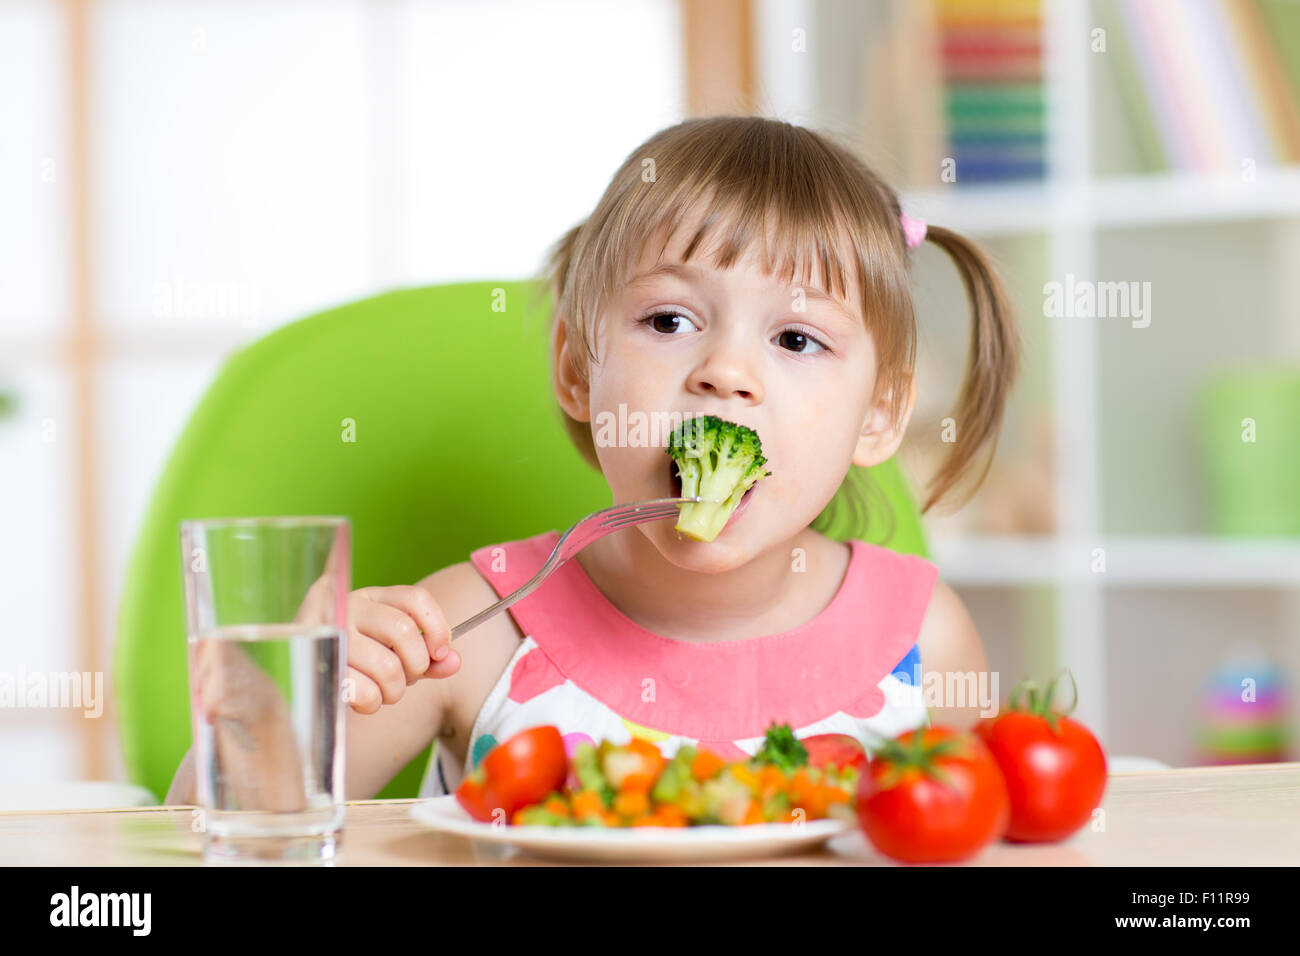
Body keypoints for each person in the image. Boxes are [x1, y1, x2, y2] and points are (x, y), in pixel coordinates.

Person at [166, 115, 1020, 806]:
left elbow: (983, 838)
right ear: (580, 369)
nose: (724, 372)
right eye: (670, 322)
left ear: (879, 417)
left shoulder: (925, 637)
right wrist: (278, 704)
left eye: (797, 338)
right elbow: (223, 840)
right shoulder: (473, 629)